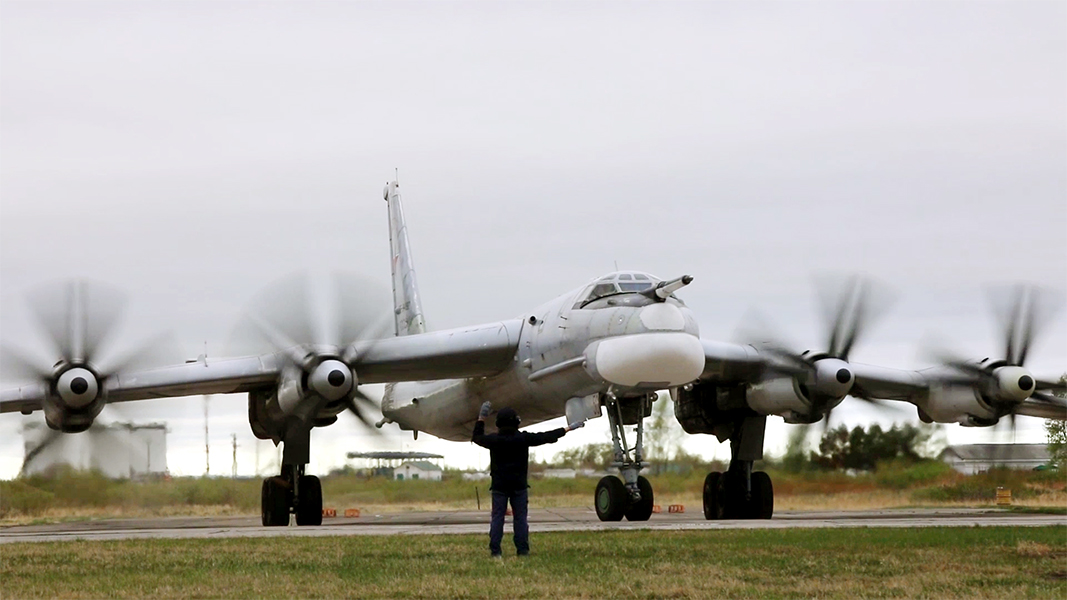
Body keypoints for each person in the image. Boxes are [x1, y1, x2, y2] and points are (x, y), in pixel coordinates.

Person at [472, 401, 582, 558]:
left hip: (499, 486)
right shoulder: (523, 439)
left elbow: (477, 437)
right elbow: (546, 437)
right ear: (517, 422)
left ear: (498, 424)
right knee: (520, 519)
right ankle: (522, 551)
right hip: (519, 485)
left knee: (497, 517)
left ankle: (495, 551)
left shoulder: (494, 440)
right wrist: (568, 428)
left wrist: (481, 418)